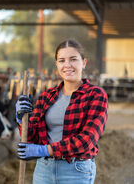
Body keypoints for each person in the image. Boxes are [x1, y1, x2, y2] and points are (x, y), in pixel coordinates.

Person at [16, 39, 108, 184]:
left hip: (76, 170)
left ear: (84, 63)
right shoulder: (46, 96)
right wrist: (22, 119)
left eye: (73, 59)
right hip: (44, 169)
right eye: (61, 60)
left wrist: (44, 150)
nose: (67, 65)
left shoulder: (95, 95)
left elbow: (87, 140)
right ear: (56, 64)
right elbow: (32, 139)